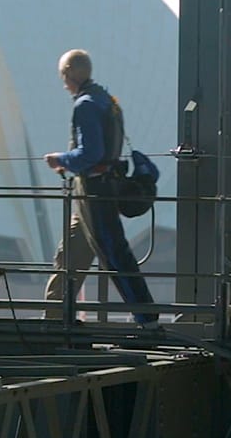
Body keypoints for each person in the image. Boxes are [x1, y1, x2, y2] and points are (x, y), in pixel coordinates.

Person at [42, 49, 157, 327]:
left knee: (114, 253)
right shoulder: (107, 100)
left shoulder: (85, 104)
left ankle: (147, 319)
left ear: (69, 74)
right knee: (70, 254)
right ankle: (55, 319)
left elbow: (90, 154)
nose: (64, 84)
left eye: (63, 77)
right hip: (99, 189)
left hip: (94, 193)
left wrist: (60, 159)